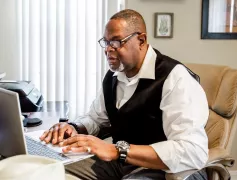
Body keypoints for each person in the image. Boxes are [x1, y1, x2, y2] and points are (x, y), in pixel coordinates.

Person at [40, 9, 209, 180]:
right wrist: (74, 128)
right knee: (51, 169)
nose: (107, 50)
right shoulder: (113, 77)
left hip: (165, 170)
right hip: (122, 163)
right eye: (105, 42)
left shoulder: (175, 78)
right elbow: (95, 118)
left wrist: (117, 150)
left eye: (115, 42)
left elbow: (193, 151)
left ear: (141, 40)